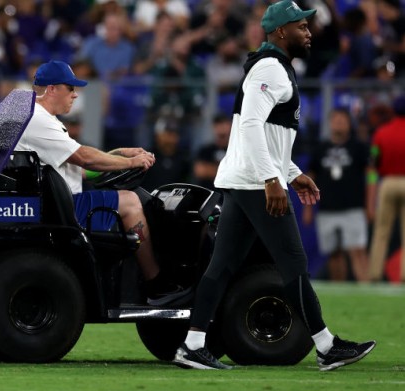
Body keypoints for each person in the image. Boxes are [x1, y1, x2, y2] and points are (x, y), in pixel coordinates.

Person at [172, 1, 375, 371]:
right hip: (254, 181)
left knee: (222, 266)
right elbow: (250, 126)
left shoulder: (274, 67)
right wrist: (271, 179)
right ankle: (326, 346)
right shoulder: (270, 68)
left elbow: (267, 135)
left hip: (246, 178)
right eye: (302, 26)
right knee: (293, 262)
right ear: (281, 31)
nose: (309, 32)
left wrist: (292, 173)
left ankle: (193, 344)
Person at [13, 59, 190, 305]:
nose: (75, 95)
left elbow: (81, 170)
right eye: (70, 88)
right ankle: (155, 283)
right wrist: (131, 162)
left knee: (131, 196)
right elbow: (85, 158)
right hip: (61, 209)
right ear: (52, 89)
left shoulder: (38, 116)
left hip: (56, 202)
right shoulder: (38, 119)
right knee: (130, 201)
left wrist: (120, 154)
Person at [301, 108, 370, 282]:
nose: (339, 123)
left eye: (343, 120)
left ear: (349, 124)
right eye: (336, 120)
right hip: (327, 208)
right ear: (330, 123)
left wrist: (370, 203)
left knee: (357, 250)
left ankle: (366, 287)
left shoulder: (359, 148)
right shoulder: (320, 149)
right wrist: (308, 208)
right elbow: (310, 178)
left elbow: (371, 175)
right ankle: (339, 289)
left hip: (353, 207)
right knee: (333, 253)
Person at [368, 95, 405, 283]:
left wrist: (372, 189)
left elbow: (373, 166)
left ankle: (374, 273)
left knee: (381, 231)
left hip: (387, 183)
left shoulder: (381, 133)